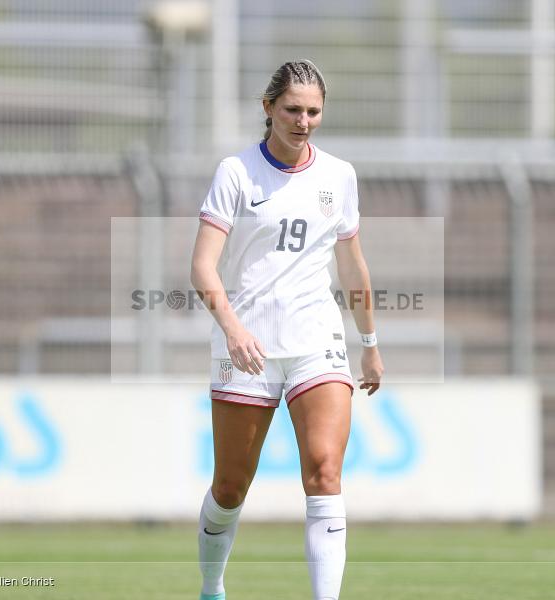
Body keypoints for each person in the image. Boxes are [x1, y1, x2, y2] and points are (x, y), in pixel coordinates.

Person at [190, 60, 384, 600]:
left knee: (324, 471)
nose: (304, 121)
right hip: (247, 346)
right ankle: (212, 586)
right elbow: (202, 266)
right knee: (230, 487)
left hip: (316, 341)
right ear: (268, 107)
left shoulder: (338, 176)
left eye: (314, 111)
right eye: (293, 109)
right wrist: (231, 329)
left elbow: (352, 267)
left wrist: (368, 344)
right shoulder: (236, 172)